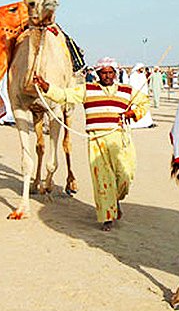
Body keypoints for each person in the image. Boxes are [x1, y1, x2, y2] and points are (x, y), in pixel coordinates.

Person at [32, 57, 149, 231]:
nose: (108, 76)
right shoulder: (88, 89)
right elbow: (65, 95)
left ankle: (115, 200)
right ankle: (107, 216)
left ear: (115, 73)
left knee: (125, 175)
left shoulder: (127, 90)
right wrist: (45, 86)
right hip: (97, 140)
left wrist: (134, 113)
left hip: (121, 139)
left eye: (110, 72)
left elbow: (144, 102)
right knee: (102, 179)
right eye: (104, 73)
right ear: (98, 74)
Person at [128, 63, 154, 128]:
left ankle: (147, 123)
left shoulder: (142, 75)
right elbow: (132, 86)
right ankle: (135, 124)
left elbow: (145, 86)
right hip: (136, 96)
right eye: (141, 68)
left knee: (145, 109)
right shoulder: (133, 76)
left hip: (143, 96)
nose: (142, 69)